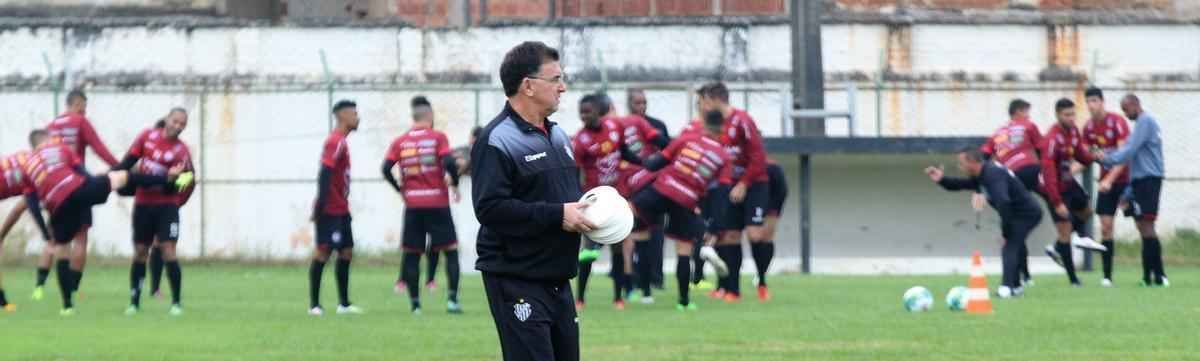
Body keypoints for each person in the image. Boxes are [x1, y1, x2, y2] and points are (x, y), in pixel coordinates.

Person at [473, 41, 590, 361]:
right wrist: (558, 215)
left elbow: (564, 199)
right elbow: (490, 208)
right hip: (516, 279)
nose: (563, 88)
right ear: (528, 85)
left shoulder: (559, 136)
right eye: (555, 79)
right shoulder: (496, 140)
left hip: (558, 277)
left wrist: (592, 214)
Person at [24, 133, 183, 316]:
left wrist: (45, 232)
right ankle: (167, 179)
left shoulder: (28, 165)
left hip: (57, 204)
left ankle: (67, 306)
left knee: (62, 250)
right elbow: (81, 172)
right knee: (123, 176)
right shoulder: (61, 148)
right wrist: (98, 186)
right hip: (78, 189)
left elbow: (32, 203)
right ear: (47, 140)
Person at [629, 109, 734, 311]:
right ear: (723, 129)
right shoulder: (724, 157)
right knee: (684, 250)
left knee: (629, 210)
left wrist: (637, 160)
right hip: (687, 199)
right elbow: (722, 194)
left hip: (662, 188)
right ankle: (683, 301)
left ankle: (595, 242)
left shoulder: (687, 139)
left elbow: (655, 163)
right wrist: (716, 226)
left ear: (704, 124)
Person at [34, 89, 121, 301]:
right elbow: (99, 148)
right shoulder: (80, 122)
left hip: (54, 189)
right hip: (77, 186)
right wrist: (120, 166)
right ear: (77, 104)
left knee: (54, 239)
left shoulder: (50, 127)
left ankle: (39, 288)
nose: (84, 112)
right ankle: (72, 289)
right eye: (83, 107)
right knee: (80, 239)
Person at [382, 95, 464, 314]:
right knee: (450, 250)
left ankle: (415, 305)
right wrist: (455, 183)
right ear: (430, 115)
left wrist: (400, 189)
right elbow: (448, 161)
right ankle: (452, 300)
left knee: (412, 253)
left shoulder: (400, 142)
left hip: (413, 205)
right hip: (437, 202)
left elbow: (385, 168)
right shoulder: (438, 137)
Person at [926, 148, 1043, 298]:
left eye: (961, 163)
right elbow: (961, 184)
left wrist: (1006, 230)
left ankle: (1006, 288)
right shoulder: (982, 175)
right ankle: (1015, 287)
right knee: (1013, 245)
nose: (960, 167)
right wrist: (942, 180)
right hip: (1016, 214)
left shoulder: (992, 174)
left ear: (973, 162)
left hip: (1026, 214)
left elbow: (1003, 201)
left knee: (1009, 246)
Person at [114, 108, 196, 316]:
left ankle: (176, 303)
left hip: (167, 206)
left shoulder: (181, 151)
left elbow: (181, 184)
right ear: (167, 119)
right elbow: (128, 162)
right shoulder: (146, 136)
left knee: (168, 250)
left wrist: (173, 181)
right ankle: (134, 303)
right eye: (175, 121)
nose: (178, 126)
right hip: (143, 204)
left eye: (182, 124)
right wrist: (111, 177)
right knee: (141, 251)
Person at [697, 82, 769, 303]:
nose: (703, 107)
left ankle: (762, 282)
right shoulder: (713, 124)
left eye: (705, 102)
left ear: (715, 100)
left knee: (755, 234)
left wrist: (744, 183)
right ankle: (732, 290)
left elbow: (758, 157)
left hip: (754, 185)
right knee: (729, 236)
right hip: (729, 187)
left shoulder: (742, 120)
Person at [571, 93, 642, 310]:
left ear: (599, 112)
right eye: (581, 112)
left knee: (618, 246)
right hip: (594, 201)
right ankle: (580, 298)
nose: (584, 116)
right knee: (588, 250)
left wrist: (645, 163)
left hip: (616, 197)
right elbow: (576, 174)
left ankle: (618, 297)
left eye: (588, 111)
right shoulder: (579, 140)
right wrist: (578, 200)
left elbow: (625, 152)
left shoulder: (614, 127)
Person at [1094, 94, 1167, 287]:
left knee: (1147, 226)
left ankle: (1156, 277)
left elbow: (1129, 150)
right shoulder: (1142, 124)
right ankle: (1151, 277)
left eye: (1126, 110)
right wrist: (1106, 155)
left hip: (1148, 180)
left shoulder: (1145, 121)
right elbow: (1128, 147)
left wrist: (1107, 159)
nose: (1125, 114)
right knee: (1143, 225)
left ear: (1135, 105)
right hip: (1139, 182)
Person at [1039, 98, 1105, 287]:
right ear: (1058, 115)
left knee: (1087, 211)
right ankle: (1073, 279)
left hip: (1068, 183)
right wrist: (1057, 202)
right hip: (1053, 187)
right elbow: (1048, 174)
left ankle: (1059, 246)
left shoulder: (1074, 131)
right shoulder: (1051, 139)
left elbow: (1081, 156)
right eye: (1067, 115)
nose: (1071, 118)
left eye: (1073, 114)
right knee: (1065, 230)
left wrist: (1093, 156)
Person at [307, 100, 364, 316]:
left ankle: (344, 304)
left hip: (341, 208)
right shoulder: (334, 141)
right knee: (323, 252)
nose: (358, 118)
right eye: (354, 114)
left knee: (346, 251)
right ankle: (314, 305)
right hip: (330, 209)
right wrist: (320, 206)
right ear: (342, 116)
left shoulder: (342, 142)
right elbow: (325, 173)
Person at [979, 99, 1042, 285]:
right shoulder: (1028, 126)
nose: (1029, 116)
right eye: (1027, 112)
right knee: (1052, 201)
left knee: (1015, 228)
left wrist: (983, 185)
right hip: (1028, 171)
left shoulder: (998, 132)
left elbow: (983, 156)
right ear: (1018, 112)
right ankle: (1023, 275)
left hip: (1007, 180)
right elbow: (1043, 149)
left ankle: (1024, 275)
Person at [0, 130, 55, 312]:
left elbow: (20, 208)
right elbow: (31, 206)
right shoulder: (39, 171)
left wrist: (2, 235)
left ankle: (2, 300)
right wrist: (46, 235)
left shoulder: (28, 157)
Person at [1081, 87, 1130, 287]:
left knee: (1143, 224)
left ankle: (1154, 274)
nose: (1091, 105)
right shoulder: (1088, 128)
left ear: (1102, 102)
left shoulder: (1117, 122)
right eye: (1088, 101)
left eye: (1094, 101)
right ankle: (1107, 276)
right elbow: (1084, 155)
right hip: (1105, 184)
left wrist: (1109, 179)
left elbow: (1124, 156)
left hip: (1126, 181)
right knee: (1106, 227)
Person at [628, 88, 670, 290]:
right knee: (632, 233)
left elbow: (669, 150)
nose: (642, 106)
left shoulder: (658, 125)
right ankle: (634, 278)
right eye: (637, 102)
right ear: (629, 104)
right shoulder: (624, 126)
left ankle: (657, 276)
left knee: (657, 233)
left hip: (655, 186)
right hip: (632, 186)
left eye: (644, 102)